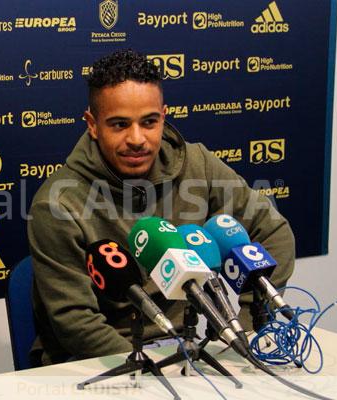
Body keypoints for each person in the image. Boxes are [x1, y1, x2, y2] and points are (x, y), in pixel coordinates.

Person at [27, 49, 295, 365]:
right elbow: (75, 323)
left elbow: (274, 231)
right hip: (107, 363)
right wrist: (147, 369)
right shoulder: (58, 203)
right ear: (93, 124)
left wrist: (250, 330)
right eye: (119, 125)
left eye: (149, 122)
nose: (137, 139)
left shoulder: (199, 165)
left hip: (195, 353)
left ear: (163, 116)